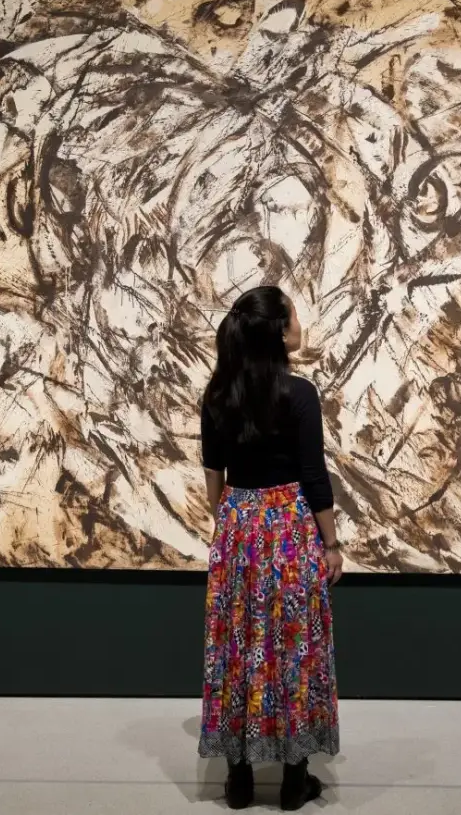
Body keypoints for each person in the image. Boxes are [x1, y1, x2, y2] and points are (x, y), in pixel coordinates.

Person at [197, 285, 343, 810]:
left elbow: (213, 474)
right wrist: (331, 543)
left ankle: (238, 782)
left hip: (238, 526)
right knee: (295, 646)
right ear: (280, 332)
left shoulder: (218, 395)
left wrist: (231, 521)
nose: (300, 323)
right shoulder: (299, 394)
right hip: (289, 529)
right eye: (294, 316)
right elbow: (313, 475)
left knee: (237, 645)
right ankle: (293, 781)